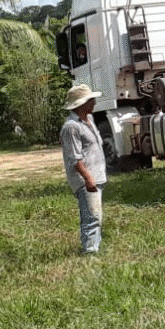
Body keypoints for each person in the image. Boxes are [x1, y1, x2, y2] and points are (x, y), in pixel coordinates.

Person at [60, 84, 107, 255]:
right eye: (90, 100)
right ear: (80, 104)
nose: (94, 102)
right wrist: (88, 178)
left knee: (96, 216)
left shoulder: (89, 121)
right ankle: (89, 252)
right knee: (91, 217)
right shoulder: (72, 127)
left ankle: (94, 247)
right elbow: (75, 157)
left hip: (95, 177)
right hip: (86, 180)